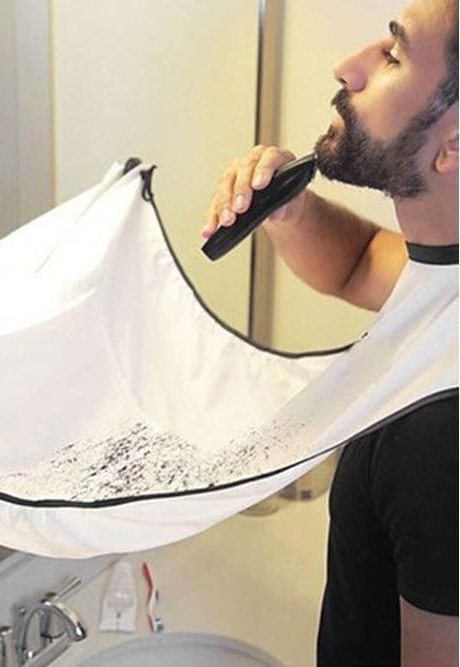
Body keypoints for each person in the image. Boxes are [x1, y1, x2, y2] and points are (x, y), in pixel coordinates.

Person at [203, 0, 458, 664]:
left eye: (393, 55)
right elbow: (359, 264)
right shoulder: (444, 275)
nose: (348, 67)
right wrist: (290, 211)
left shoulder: (439, 438)